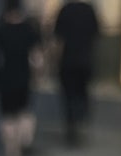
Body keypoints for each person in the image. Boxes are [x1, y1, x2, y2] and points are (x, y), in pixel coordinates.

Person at [0, 0, 43, 156]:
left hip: (5, 79)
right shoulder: (29, 30)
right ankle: (21, 144)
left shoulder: (0, 31)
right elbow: (36, 58)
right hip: (23, 78)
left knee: (7, 116)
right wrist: (37, 76)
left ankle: (11, 151)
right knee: (23, 112)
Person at [52, 0, 100, 146]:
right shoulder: (89, 10)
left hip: (67, 61)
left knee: (68, 95)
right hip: (85, 60)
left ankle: (71, 125)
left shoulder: (65, 10)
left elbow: (58, 39)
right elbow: (96, 35)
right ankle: (80, 120)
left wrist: (55, 61)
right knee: (82, 92)